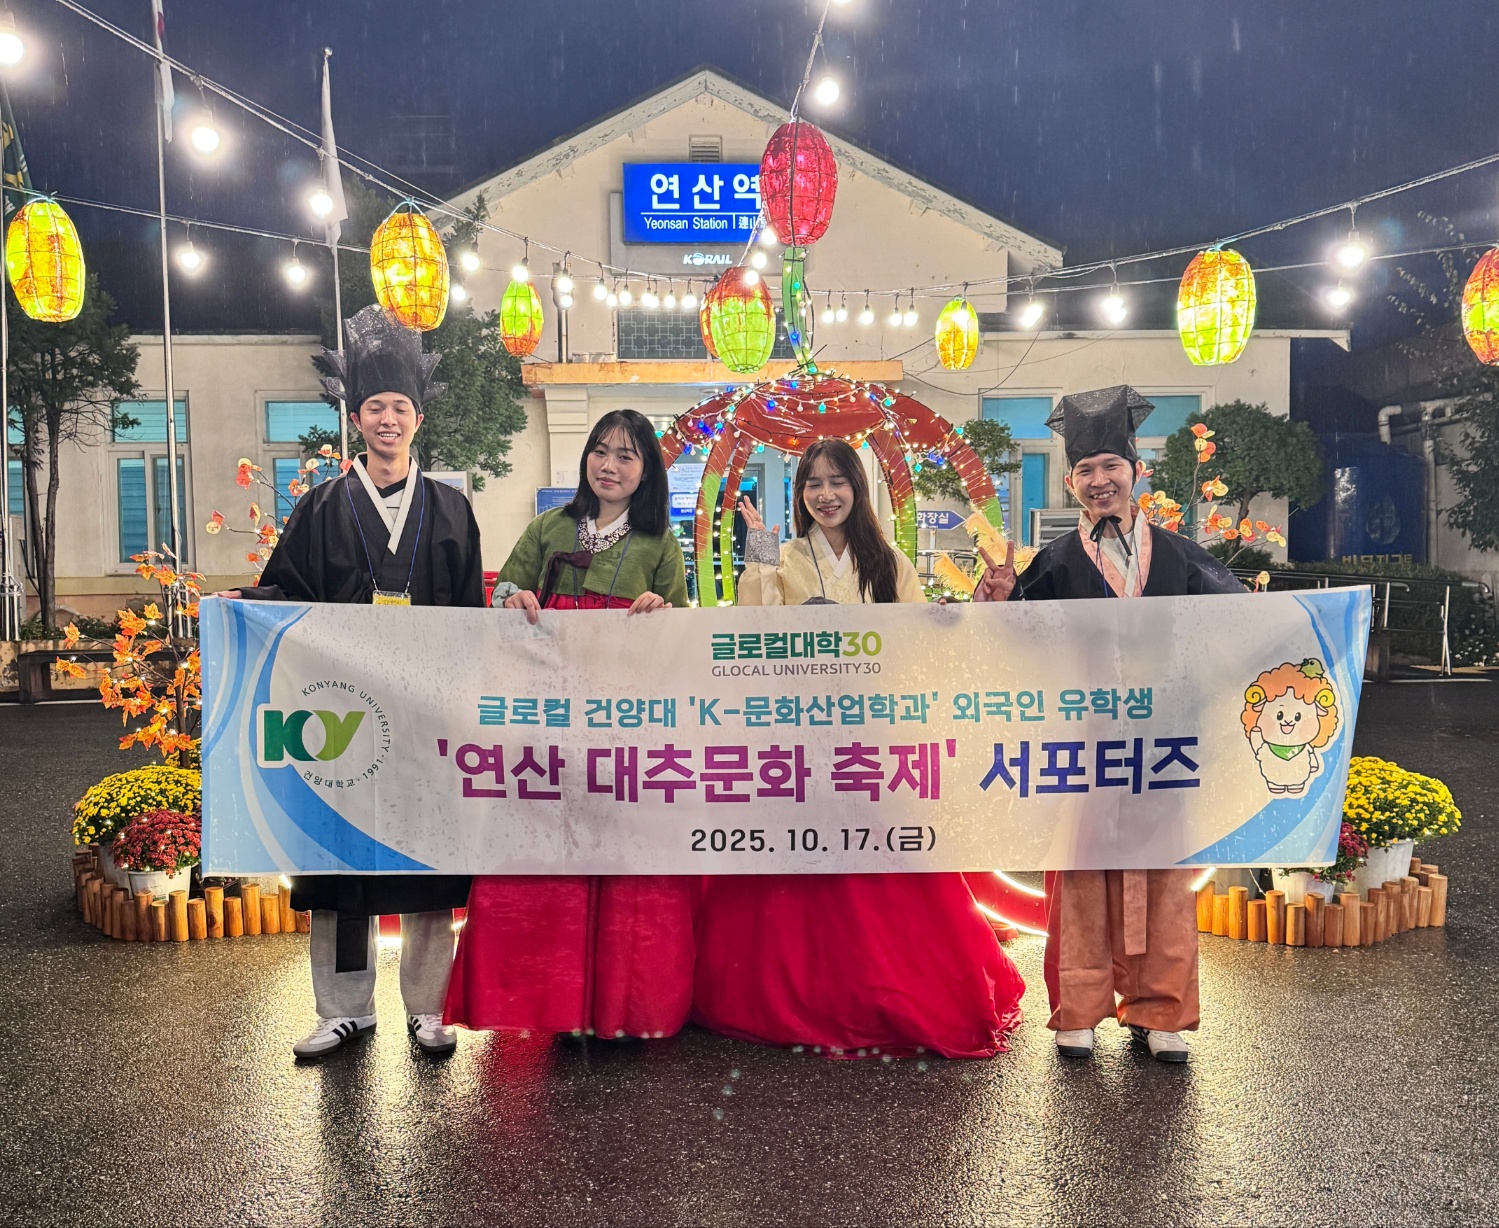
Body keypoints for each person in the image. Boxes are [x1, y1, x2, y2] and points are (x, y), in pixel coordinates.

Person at [691, 438, 1026, 1059]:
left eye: (837, 481)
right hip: (800, 736)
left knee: (876, 864)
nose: (825, 495)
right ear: (800, 494)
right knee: (802, 863)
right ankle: (800, 993)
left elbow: (921, 638)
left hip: (869, 738)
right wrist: (759, 548)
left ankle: (880, 989)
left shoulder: (888, 561)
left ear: (857, 488)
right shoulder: (784, 556)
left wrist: (979, 605)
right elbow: (753, 626)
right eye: (812, 484)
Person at [221, 304, 485, 1060]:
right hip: (341, 715)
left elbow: (471, 617)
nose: (388, 419)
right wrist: (246, 605)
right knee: (340, 861)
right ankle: (344, 1009)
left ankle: (428, 1008)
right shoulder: (321, 507)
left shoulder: (452, 510)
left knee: (428, 862)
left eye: (400, 407)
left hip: (425, 715)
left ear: (418, 418)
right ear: (356, 419)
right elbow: (289, 593)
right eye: (375, 408)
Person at [973, 385, 1245, 1063]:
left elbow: (1239, 623)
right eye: (1085, 470)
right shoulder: (1055, 562)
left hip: (1162, 745)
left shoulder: (1180, 555)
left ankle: (1162, 1010)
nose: (1099, 480)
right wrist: (1000, 602)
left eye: (1111, 466)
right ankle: (1079, 1008)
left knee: (1164, 877)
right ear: (1071, 482)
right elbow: (1017, 646)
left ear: (1136, 471)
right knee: (1080, 875)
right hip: (1084, 742)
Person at [444, 408, 692, 1041]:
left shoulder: (660, 543)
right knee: (543, 854)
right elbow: (502, 594)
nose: (609, 465)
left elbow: (682, 636)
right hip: (546, 722)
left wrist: (662, 611)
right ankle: (543, 1002)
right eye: (600, 451)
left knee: (619, 859)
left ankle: (620, 1009)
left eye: (626, 456)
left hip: (622, 729)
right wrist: (515, 598)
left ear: (647, 471)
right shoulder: (548, 527)